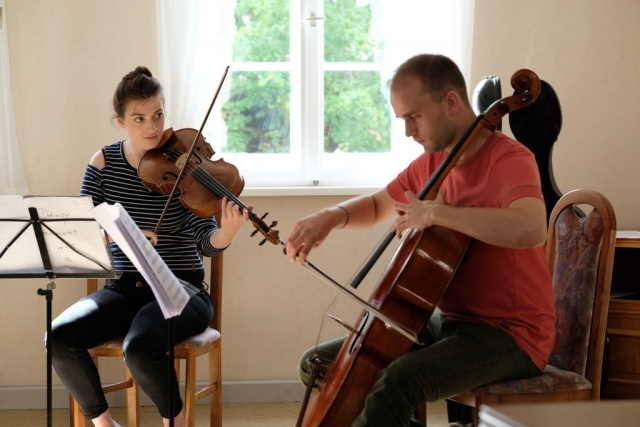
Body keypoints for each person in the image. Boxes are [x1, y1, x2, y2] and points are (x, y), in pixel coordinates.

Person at [285, 53, 555, 427]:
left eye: (414, 117)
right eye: (402, 120)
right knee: (323, 364)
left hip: (510, 334)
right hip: (451, 323)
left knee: (399, 380)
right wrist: (330, 217)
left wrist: (437, 213)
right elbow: (378, 204)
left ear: (450, 101)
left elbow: (531, 228)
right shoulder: (433, 162)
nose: (408, 132)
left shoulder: (508, 158)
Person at [48, 66, 250, 427]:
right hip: (125, 288)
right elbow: (82, 232)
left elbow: (206, 240)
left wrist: (228, 233)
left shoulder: (184, 162)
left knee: (139, 346)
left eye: (158, 115)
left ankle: (175, 422)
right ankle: (105, 425)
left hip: (182, 290)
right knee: (60, 337)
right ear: (120, 121)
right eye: (139, 118)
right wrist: (122, 236)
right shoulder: (104, 163)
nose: (152, 127)